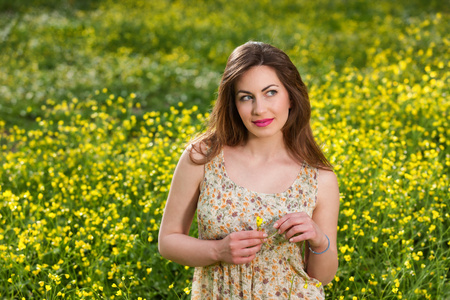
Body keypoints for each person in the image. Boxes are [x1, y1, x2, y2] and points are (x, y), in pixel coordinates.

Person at [158, 41, 340, 299]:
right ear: (233, 103)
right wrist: (218, 252)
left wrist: (319, 240)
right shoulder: (203, 157)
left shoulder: (319, 177)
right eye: (247, 97)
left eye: (271, 93)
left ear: (291, 96)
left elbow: (322, 277)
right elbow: (168, 241)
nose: (259, 109)